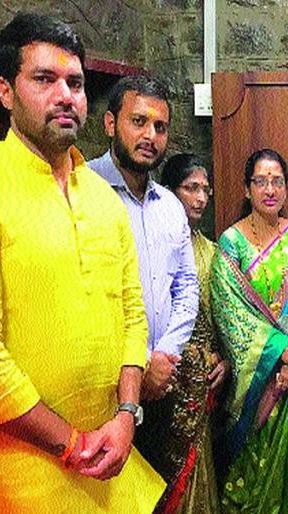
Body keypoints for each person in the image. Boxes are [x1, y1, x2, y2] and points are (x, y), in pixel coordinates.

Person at [0, 12, 164, 512]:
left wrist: (126, 415)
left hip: (113, 471)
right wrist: (70, 442)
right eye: (45, 79)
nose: (65, 95)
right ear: (6, 91)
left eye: (76, 83)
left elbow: (133, 316)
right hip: (21, 480)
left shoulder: (103, 199)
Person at [88, 76, 200, 480]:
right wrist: (138, 366)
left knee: (154, 491)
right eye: (139, 122)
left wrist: (163, 355)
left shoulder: (170, 205)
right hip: (102, 388)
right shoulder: (84, 191)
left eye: (160, 126)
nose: (150, 135)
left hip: (161, 384)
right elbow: (84, 296)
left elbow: (186, 287)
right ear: (110, 123)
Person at [211, 148, 288, 513]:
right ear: (247, 189)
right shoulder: (231, 243)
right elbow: (229, 313)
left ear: (287, 188)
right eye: (261, 181)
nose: (270, 190)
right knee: (247, 479)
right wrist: (280, 351)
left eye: (277, 181)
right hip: (253, 383)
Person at [155, 153, 227, 513]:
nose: (200, 198)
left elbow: (225, 318)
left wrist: (224, 359)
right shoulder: (154, 245)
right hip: (161, 379)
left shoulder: (213, 252)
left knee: (199, 464)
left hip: (202, 381)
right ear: (170, 191)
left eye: (205, 190)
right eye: (190, 188)